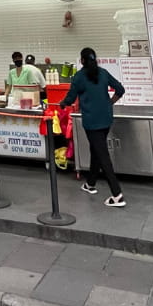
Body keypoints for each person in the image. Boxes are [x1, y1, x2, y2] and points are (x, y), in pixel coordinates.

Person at [61, 47, 126, 207]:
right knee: (96, 150)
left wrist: (63, 104)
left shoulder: (79, 77)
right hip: (106, 119)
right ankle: (90, 184)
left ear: (82, 60)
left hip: (92, 121)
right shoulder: (103, 73)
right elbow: (120, 89)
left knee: (102, 155)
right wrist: (110, 103)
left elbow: (70, 98)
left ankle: (117, 195)